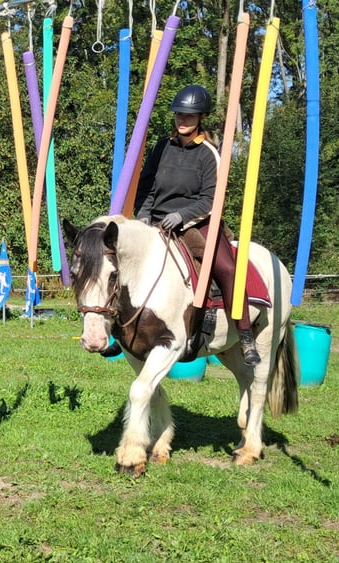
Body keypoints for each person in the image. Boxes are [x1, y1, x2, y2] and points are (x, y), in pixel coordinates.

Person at [133, 84, 261, 366]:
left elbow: (210, 199)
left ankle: (245, 333)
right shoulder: (160, 148)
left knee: (227, 268)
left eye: (189, 116)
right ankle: (118, 330)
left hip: (198, 222)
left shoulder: (208, 154)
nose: (182, 120)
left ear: (201, 117)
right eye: (179, 115)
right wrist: (143, 216)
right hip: (155, 222)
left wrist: (182, 216)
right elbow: (146, 189)